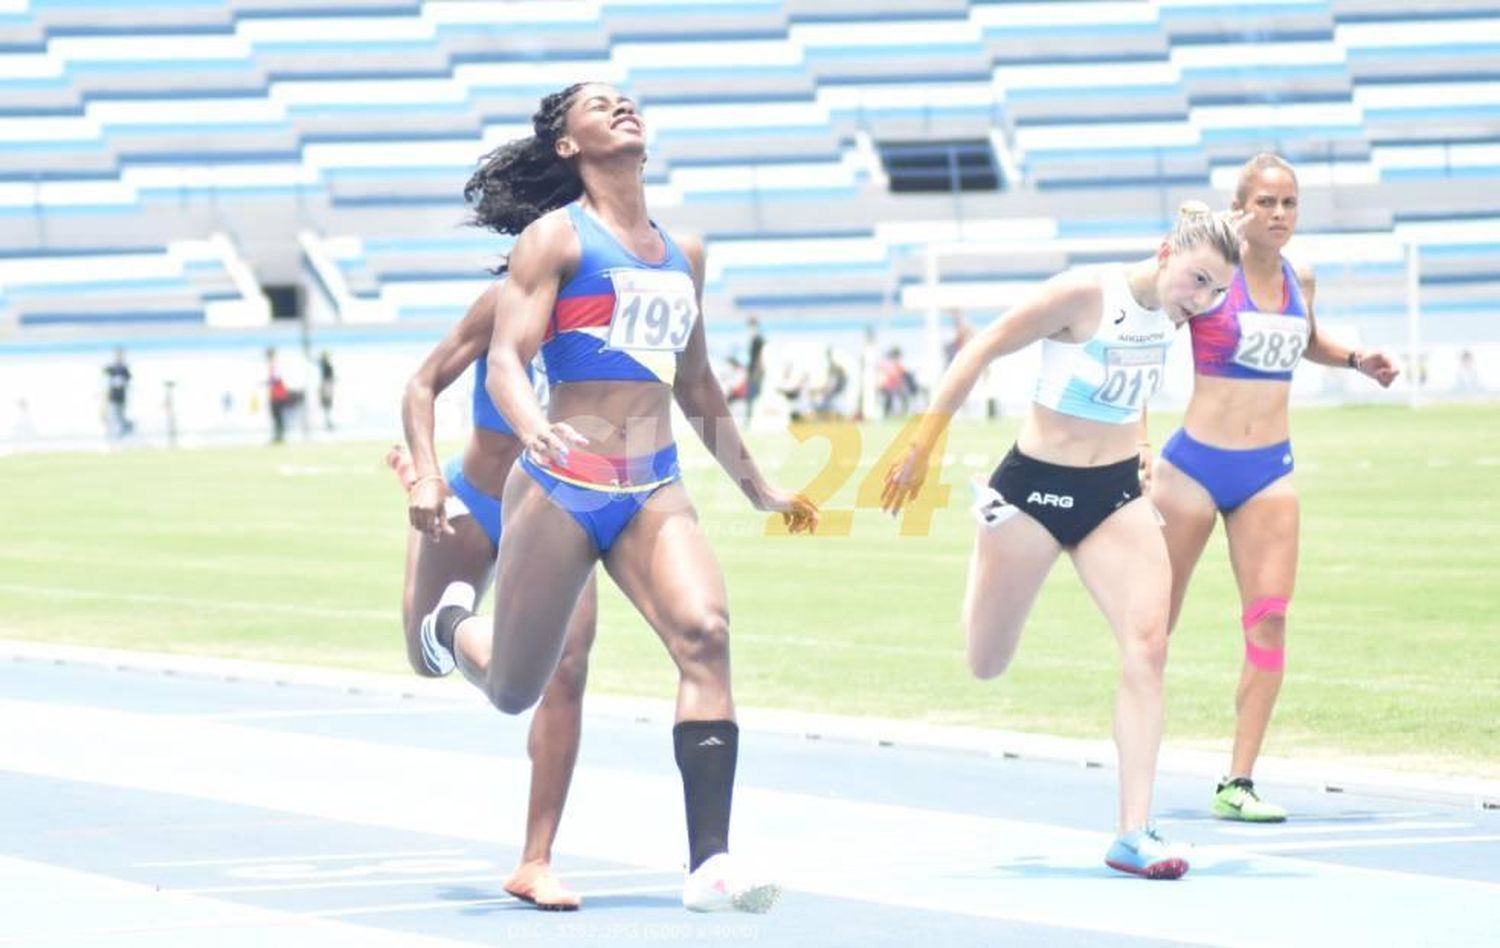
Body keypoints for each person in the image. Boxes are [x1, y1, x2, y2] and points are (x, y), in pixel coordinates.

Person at [417, 82, 817, 913]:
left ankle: (711, 865)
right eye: (600, 106)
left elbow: (697, 381)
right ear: (569, 146)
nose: (622, 108)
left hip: (652, 483)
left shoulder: (686, 253)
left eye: (628, 100)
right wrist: (530, 427)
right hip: (561, 485)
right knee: (518, 690)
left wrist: (758, 486)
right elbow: (504, 360)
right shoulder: (553, 240)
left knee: (705, 634)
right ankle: (451, 625)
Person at [883, 204, 1244, 879]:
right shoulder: (1084, 294)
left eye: (1217, 291)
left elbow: (1131, 378)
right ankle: (985, 527)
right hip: (1032, 493)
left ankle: (1133, 831)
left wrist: (1138, 443)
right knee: (986, 661)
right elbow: (981, 347)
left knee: (1149, 643)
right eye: (1198, 281)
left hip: (1113, 496)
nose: (1204, 301)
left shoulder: (1172, 313)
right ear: (1167, 252)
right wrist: (923, 445)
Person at [1150, 154, 1399, 822]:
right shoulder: (1208, 276)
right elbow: (1142, 337)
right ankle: (1136, 766)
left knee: (1271, 619)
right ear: (1241, 208)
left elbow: (1305, 337)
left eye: (1289, 203)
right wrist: (1136, 441)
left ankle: (1238, 781)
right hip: (1192, 470)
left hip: (1267, 472)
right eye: (1266, 203)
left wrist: (1355, 360)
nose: (1280, 215)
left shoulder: (1301, 277)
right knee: (1153, 626)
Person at [392, 280, 599, 911]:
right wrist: (427, 473)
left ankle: (536, 861)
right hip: (473, 501)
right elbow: (421, 383)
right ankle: (447, 626)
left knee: (563, 669)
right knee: (424, 661)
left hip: (558, 509)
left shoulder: (610, 300)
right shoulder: (506, 297)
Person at [103, 347, 132, 439]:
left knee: (121, 417)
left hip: (122, 397)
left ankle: (121, 436)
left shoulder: (124, 369)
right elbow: (104, 379)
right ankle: (112, 436)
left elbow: (128, 381)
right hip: (112, 397)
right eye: (117, 355)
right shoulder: (110, 368)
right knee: (112, 417)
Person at [745, 315, 766, 424]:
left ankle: (751, 419)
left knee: (753, 395)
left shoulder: (758, 339)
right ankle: (749, 418)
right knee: (750, 396)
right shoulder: (754, 338)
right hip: (752, 370)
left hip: (755, 371)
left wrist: (757, 372)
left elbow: (760, 357)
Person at [317, 350, 336, 431]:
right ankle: (328, 423)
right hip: (326, 386)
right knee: (327, 405)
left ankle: (328, 423)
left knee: (327, 406)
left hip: (326, 386)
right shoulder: (326, 365)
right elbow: (331, 378)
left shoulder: (325, 365)